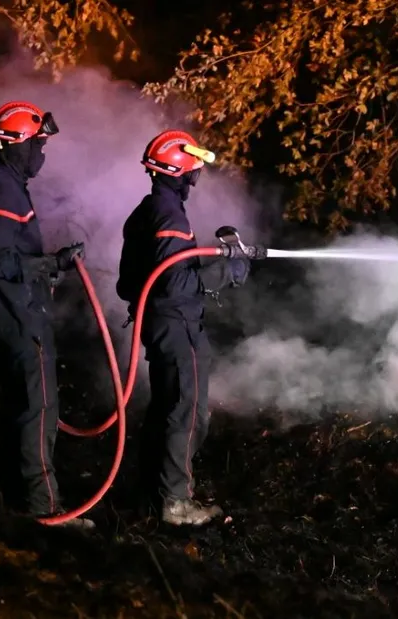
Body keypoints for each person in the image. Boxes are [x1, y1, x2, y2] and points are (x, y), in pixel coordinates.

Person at [0, 101, 90, 527]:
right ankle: (43, 509)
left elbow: (9, 254)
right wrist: (52, 264)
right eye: (38, 143)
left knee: (19, 406)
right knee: (38, 409)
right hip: (17, 318)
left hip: (6, 313)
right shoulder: (2, 189)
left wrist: (48, 266)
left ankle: (14, 499)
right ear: (18, 144)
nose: (42, 152)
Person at [116, 129, 250, 526]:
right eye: (193, 170)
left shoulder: (145, 212)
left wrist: (210, 258)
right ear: (181, 171)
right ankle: (176, 503)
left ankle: (149, 499)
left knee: (164, 410)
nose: (196, 177)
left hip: (158, 326)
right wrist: (229, 270)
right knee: (187, 412)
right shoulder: (171, 216)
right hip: (179, 329)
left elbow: (131, 283)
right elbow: (176, 284)